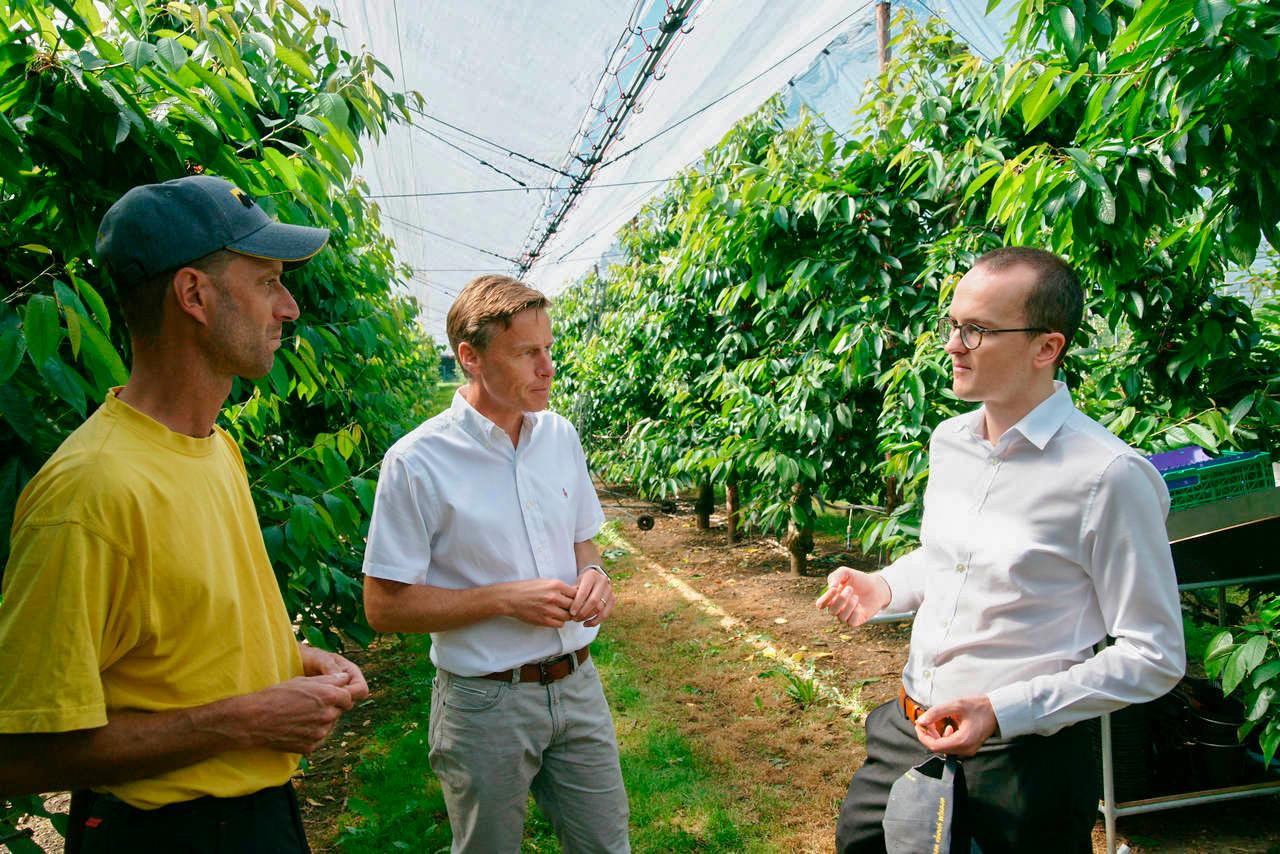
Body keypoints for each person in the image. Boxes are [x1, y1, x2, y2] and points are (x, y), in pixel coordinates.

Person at [0, 175, 368, 853]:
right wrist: (245, 720)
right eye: (267, 283)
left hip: (259, 816)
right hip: (165, 836)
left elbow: (176, 649)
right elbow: (19, 753)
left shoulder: (214, 447)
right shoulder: (88, 493)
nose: (288, 308)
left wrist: (288, 660)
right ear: (194, 295)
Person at [818, 247, 1186, 853]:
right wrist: (884, 586)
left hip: (1022, 761)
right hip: (910, 728)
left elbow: (1155, 653)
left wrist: (1003, 709)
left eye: (978, 330)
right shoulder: (951, 442)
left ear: (1046, 347)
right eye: (953, 324)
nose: (952, 345)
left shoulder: (1108, 476)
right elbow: (953, 559)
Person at [362, 274, 629, 853]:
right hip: (485, 703)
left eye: (548, 349)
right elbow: (383, 606)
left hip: (578, 684)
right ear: (471, 357)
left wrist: (595, 575)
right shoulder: (416, 462)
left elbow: (584, 542)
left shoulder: (559, 436)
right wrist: (505, 599)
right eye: (527, 353)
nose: (548, 368)